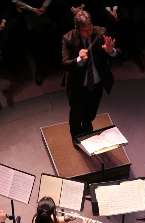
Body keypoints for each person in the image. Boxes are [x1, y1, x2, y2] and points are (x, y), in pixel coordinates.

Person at [61, 10, 117, 141]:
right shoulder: (68, 38)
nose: (89, 32)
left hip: (96, 84)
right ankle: (75, 136)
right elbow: (64, 64)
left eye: (90, 28)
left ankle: (87, 125)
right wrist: (79, 60)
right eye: (85, 31)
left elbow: (116, 52)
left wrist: (111, 51)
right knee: (76, 114)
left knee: (91, 111)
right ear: (77, 29)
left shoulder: (100, 32)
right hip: (77, 86)